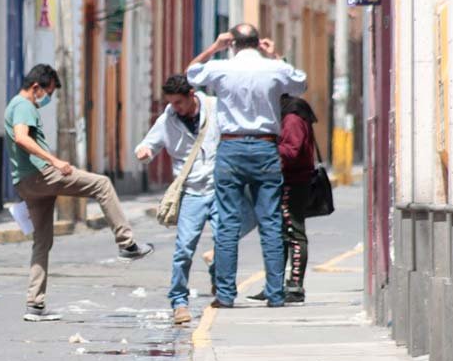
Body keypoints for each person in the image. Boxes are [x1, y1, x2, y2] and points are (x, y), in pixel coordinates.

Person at [6, 64, 154, 322]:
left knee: (42, 242)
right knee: (102, 184)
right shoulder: (23, 105)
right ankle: (127, 243)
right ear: (36, 87)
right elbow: (21, 137)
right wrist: (54, 161)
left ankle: (35, 305)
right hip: (42, 175)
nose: (47, 98)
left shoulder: (15, 104)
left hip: (25, 182)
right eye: (47, 92)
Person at [187, 24, 306, 308]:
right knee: (271, 222)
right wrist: (275, 54)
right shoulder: (274, 69)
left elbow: (190, 74)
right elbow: (300, 83)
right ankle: (276, 294)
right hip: (266, 147)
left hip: (231, 147)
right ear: (257, 43)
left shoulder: (222, 67)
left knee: (227, 223)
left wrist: (214, 47)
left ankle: (226, 295)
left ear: (233, 44)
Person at [136, 74, 244, 325]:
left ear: (191, 95)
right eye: (172, 103)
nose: (176, 108)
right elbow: (148, 145)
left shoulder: (216, 108)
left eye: (179, 103)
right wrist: (145, 152)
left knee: (225, 242)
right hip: (192, 193)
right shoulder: (168, 119)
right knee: (184, 249)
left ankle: (222, 286)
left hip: (220, 188)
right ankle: (179, 302)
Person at [249, 95, 318, 304]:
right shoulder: (289, 116)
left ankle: (295, 286)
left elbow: (292, 150)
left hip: (293, 181)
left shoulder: (292, 119)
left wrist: (264, 146)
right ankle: (275, 284)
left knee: (294, 232)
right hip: (287, 180)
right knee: (280, 234)